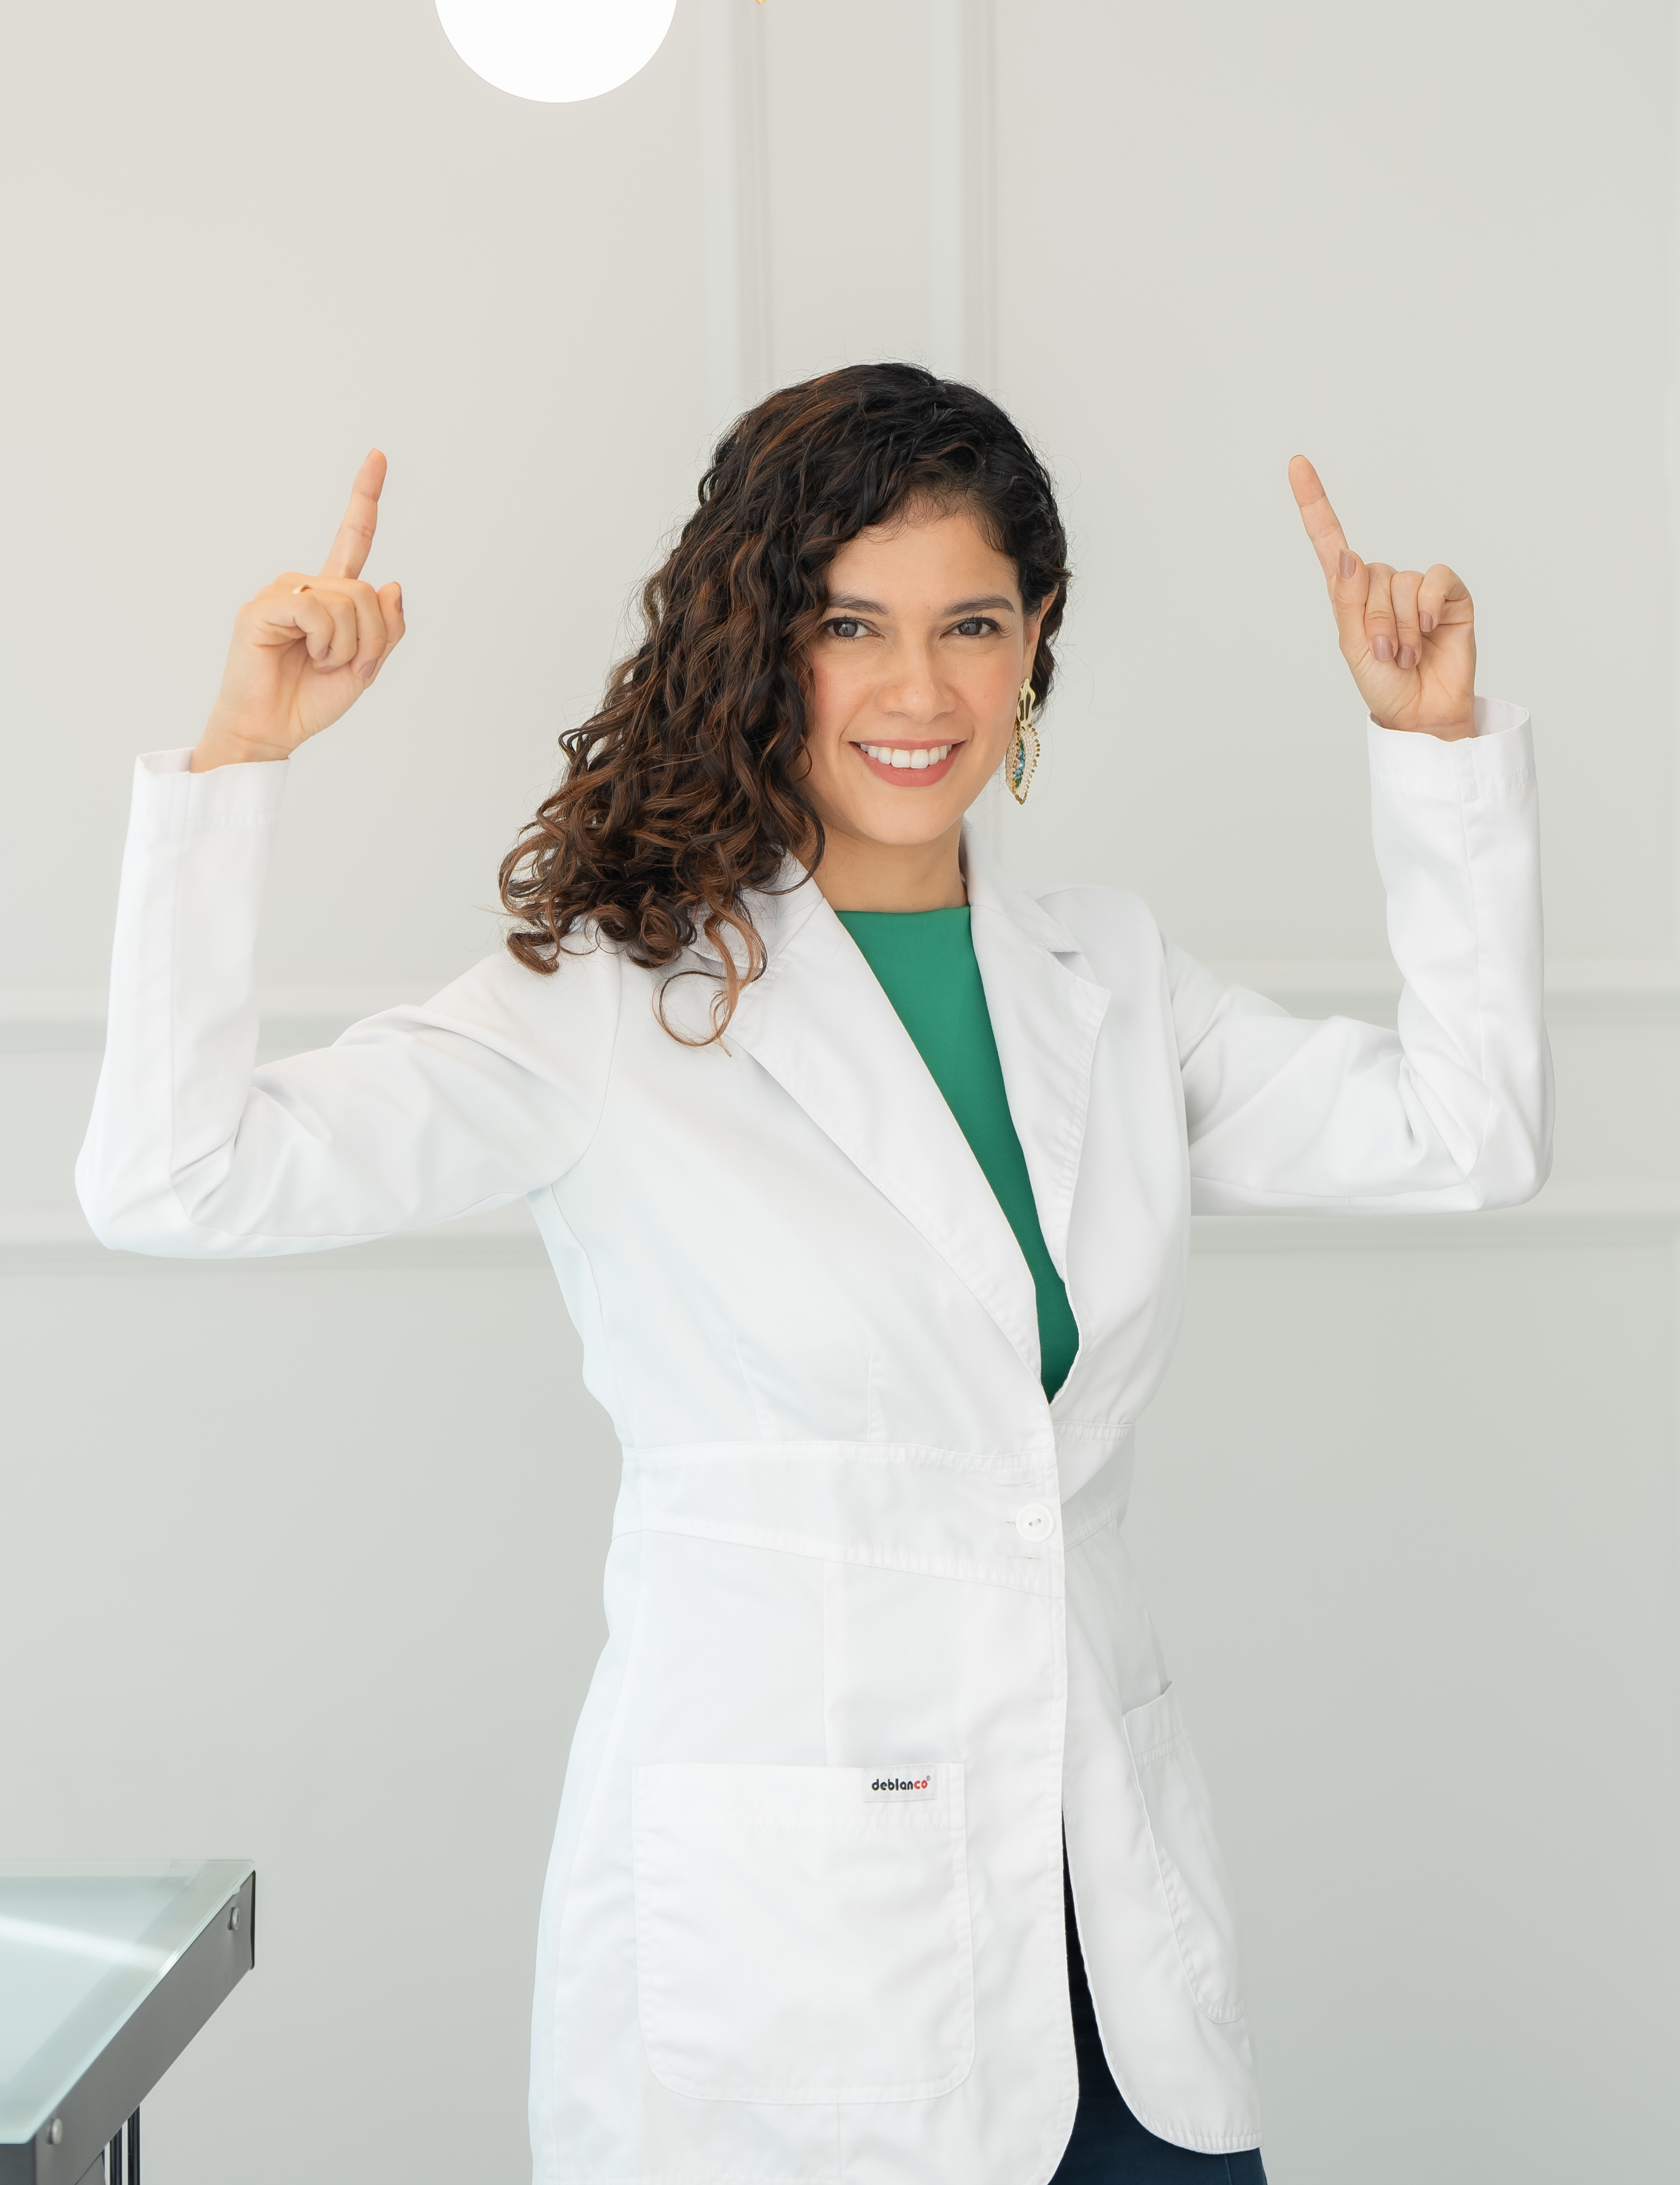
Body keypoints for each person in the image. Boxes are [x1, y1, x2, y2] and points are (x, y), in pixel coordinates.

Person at [77, 363, 1550, 2183]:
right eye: (851, 625)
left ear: (1036, 643)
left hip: (1110, 1959)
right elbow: (175, 1177)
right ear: (762, 642)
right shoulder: (612, 1005)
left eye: (970, 624)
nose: (917, 690)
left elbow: (1464, 1136)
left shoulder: (1107, 978)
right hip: (796, 1966)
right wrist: (241, 758)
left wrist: (1433, 750)